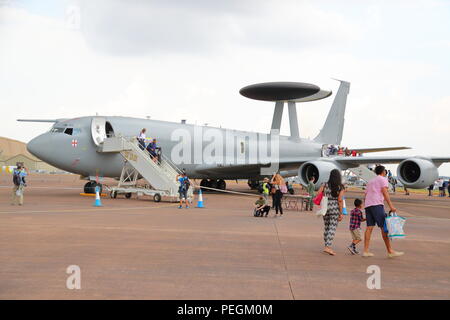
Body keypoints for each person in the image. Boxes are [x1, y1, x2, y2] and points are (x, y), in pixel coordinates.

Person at [363, 165, 404, 258]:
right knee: (383, 227)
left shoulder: (371, 181)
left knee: (369, 228)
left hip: (368, 205)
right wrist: (391, 206)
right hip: (377, 204)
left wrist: (366, 205)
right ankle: (390, 251)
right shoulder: (382, 179)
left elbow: (365, 195)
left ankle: (365, 251)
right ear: (383, 172)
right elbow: (385, 193)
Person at [316, 169, 345, 255]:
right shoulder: (341, 187)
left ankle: (326, 245)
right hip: (335, 208)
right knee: (332, 227)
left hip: (325, 207)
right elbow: (340, 200)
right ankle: (328, 247)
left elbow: (318, 193)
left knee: (327, 227)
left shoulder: (324, 184)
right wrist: (341, 213)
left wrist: (325, 195)